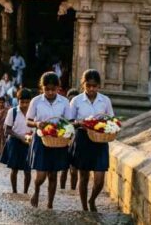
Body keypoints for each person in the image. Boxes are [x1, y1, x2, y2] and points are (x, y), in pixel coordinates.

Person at [26, 72, 74, 209]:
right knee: (41, 175)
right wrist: (36, 124)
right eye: (47, 89)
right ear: (42, 88)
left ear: (58, 88)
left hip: (58, 140)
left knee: (53, 175)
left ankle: (50, 204)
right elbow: (28, 120)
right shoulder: (36, 101)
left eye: (53, 89)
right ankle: (36, 190)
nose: (50, 92)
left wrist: (66, 130)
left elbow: (69, 121)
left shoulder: (64, 102)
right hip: (41, 139)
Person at [69, 70, 114, 212]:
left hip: (100, 140)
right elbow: (70, 122)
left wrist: (104, 124)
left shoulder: (105, 100)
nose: (91, 89)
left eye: (94, 86)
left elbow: (111, 119)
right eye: (88, 86)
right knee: (84, 176)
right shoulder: (76, 101)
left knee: (100, 179)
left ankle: (92, 199)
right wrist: (81, 123)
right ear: (83, 85)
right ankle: (84, 207)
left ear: (99, 86)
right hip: (83, 138)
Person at [1, 89, 34, 194]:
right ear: (18, 101)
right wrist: (20, 137)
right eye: (22, 102)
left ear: (30, 101)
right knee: (14, 169)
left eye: (27, 102)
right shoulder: (13, 111)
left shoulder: (34, 113)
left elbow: (36, 128)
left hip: (28, 142)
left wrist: (29, 138)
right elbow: (8, 129)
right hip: (15, 142)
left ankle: (25, 192)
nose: (24, 105)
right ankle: (14, 191)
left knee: (27, 170)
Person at [60, 89, 80, 190]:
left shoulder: (79, 114)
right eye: (70, 98)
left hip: (76, 143)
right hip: (64, 143)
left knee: (74, 169)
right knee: (64, 169)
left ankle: (73, 189)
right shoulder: (64, 113)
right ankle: (62, 189)